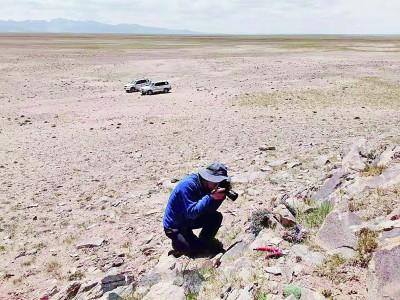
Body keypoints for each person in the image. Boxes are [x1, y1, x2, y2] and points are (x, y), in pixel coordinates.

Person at [163, 162, 230, 257]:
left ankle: (204, 241)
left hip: (190, 220)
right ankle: (179, 246)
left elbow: (210, 210)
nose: (217, 185)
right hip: (175, 226)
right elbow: (192, 213)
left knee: (215, 217)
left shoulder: (209, 185)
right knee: (192, 250)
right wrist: (211, 197)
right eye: (215, 182)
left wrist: (219, 198)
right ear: (207, 178)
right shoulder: (187, 186)